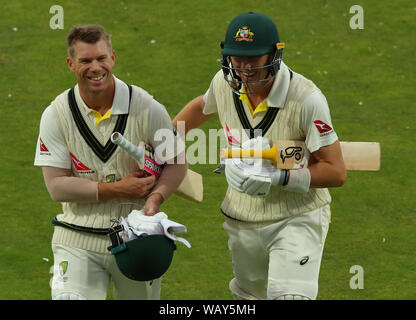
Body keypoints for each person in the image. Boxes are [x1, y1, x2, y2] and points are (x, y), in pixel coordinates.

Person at [173, 12, 346, 300]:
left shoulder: (307, 99)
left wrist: (279, 177)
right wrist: (168, 138)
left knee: (290, 296)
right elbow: (203, 105)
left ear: (275, 54)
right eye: (237, 58)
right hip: (242, 217)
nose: (244, 67)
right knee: (250, 298)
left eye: (254, 58)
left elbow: (336, 172)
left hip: (297, 216)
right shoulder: (223, 82)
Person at [34, 24, 187, 300]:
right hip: (76, 237)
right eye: (85, 61)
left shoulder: (148, 107)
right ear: (71, 64)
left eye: (101, 58)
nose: (95, 67)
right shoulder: (55, 114)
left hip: (136, 239)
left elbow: (177, 162)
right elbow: (56, 186)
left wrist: (155, 199)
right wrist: (117, 189)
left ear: (112, 57)